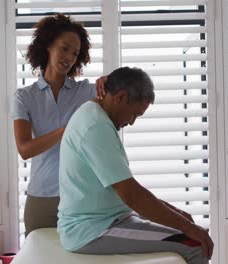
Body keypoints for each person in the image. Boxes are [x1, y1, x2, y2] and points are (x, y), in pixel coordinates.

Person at [57, 67, 213, 264]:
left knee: (185, 229)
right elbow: (132, 195)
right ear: (120, 97)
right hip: (92, 230)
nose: (131, 122)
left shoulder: (95, 115)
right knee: (195, 245)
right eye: (134, 114)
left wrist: (177, 214)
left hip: (107, 219)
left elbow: (128, 189)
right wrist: (189, 228)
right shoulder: (95, 127)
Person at [12, 14, 105, 236]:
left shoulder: (86, 91)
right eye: (64, 48)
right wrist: (67, 130)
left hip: (80, 197)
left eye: (75, 53)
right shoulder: (25, 97)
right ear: (48, 46)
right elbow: (25, 149)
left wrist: (109, 80)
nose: (69, 57)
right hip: (41, 198)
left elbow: (120, 94)